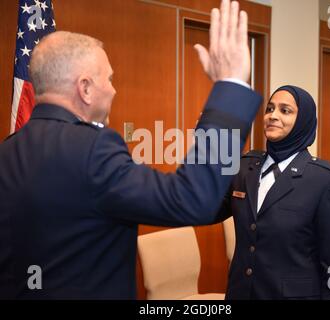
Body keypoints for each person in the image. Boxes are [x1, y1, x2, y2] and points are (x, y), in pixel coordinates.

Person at [0, 0, 262, 299]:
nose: (113, 89)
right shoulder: (94, 149)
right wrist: (231, 87)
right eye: (109, 79)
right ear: (85, 88)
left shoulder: (7, 152)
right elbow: (194, 200)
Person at [217, 85, 330, 299]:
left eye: (285, 110)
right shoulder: (244, 167)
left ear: (304, 120)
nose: (272, 116)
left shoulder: (325, 180)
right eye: (269, 109)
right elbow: (208, 209)